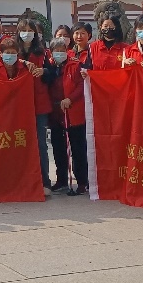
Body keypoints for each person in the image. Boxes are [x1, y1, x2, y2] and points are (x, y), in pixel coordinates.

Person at [16, 18, 54, 194]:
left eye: (31, 30)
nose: (27, 33)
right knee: (19, 143)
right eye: (24, 30)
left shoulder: (43, 53)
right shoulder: (13, 52)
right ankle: (21, 181)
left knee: (41, 144)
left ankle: (45, 181)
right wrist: (23, 62)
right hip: (17, 105)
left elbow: (52, 73)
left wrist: (43, 71)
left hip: (39, 104)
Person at [51, 36, 89, 196]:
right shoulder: (50, 67)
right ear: (51, 52)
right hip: (56, 113)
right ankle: (61, 180)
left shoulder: (75, 65)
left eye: (62, 50)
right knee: (59, 149)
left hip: (73, 112)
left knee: (78, 149)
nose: (59, 53)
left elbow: (81, 85)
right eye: (56, 50)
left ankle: (82, 182)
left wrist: (70, 99)